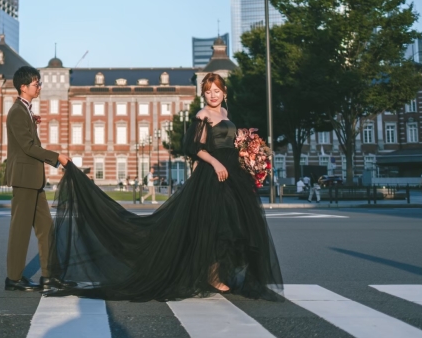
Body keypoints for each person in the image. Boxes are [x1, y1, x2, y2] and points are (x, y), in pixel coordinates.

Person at [47, 73, 283, 302]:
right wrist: (216, 162)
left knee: (233, 223)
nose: (213, 95)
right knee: (214, 225)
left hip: (232, 174)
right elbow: (194, 147)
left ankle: (218, 272)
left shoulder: (225, 112)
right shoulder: (203, 115)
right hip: (213, 174)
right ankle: (211, 275)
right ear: (204, 94)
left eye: (217, 91)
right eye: (209, 91)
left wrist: (247, 153)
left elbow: (232, 141)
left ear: (224, 92)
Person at [4, 66, 71, 292]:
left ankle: (50, 276)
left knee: (46, 228)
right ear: (23, 87)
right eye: (36, 84)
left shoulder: (25, 111)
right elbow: (28, 147)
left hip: (33, 179)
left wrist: (33, 122)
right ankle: (13, 278)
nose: (39, 87)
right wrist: (57, 157)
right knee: (20, 231)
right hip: (24, 179)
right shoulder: (16, 112)